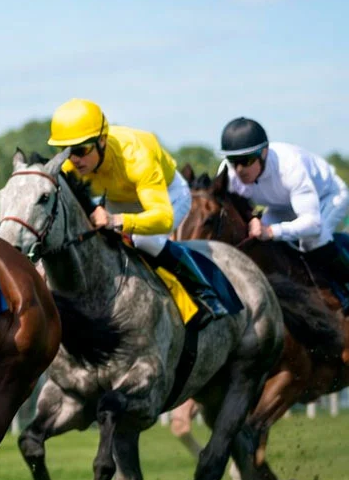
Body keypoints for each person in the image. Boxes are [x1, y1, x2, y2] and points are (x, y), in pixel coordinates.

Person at [50, 98, 226, 322]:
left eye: (81, 150)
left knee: (144, 240)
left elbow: (163, 218)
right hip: (120, 199)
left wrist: (115, 220)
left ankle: (204, 290)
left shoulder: (136, 156)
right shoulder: (70, 165)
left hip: (167, 195)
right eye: (66, 151)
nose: (74, 159)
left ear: (102, 141)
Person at [218, 117, 349, 310]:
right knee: (256, 240)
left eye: (246, 161)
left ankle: (343, 291)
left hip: (328, 196)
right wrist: (253, 218)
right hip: (281, 205)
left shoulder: (291, 167)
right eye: (233, 161)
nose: (239, 170)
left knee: (312, 240)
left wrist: (271, 231)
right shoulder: (227, 172)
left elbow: (312, 224)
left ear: (264, 152)